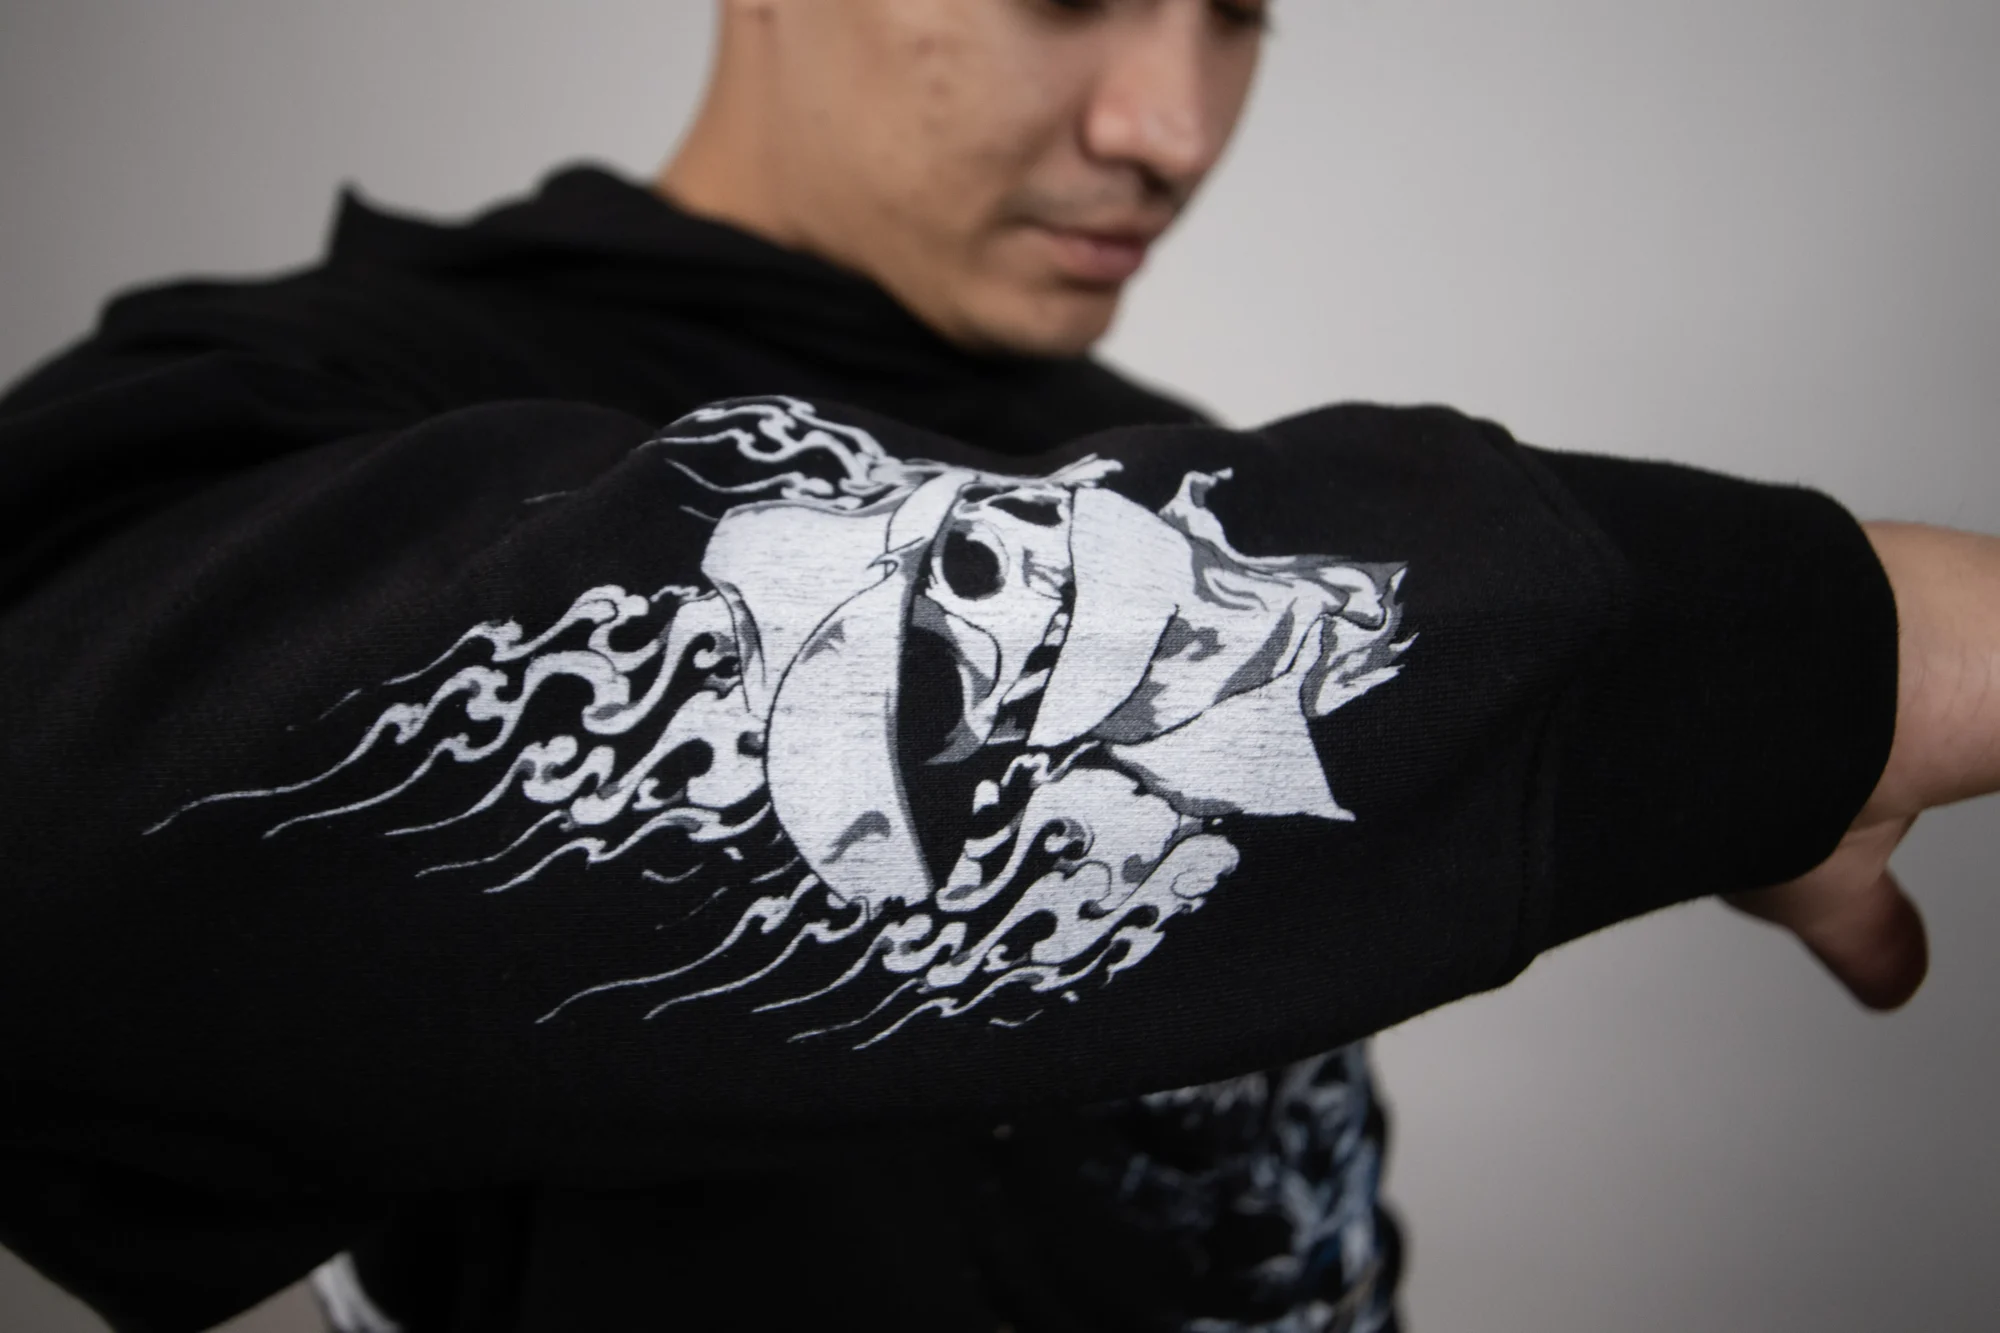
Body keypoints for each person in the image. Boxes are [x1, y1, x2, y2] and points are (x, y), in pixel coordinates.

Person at [0, 2, 1991, 1330]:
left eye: (1236, 8)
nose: (1169, 126)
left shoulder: (1179, 462)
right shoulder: (306, 402)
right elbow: (66, 856)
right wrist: (1799, 649)